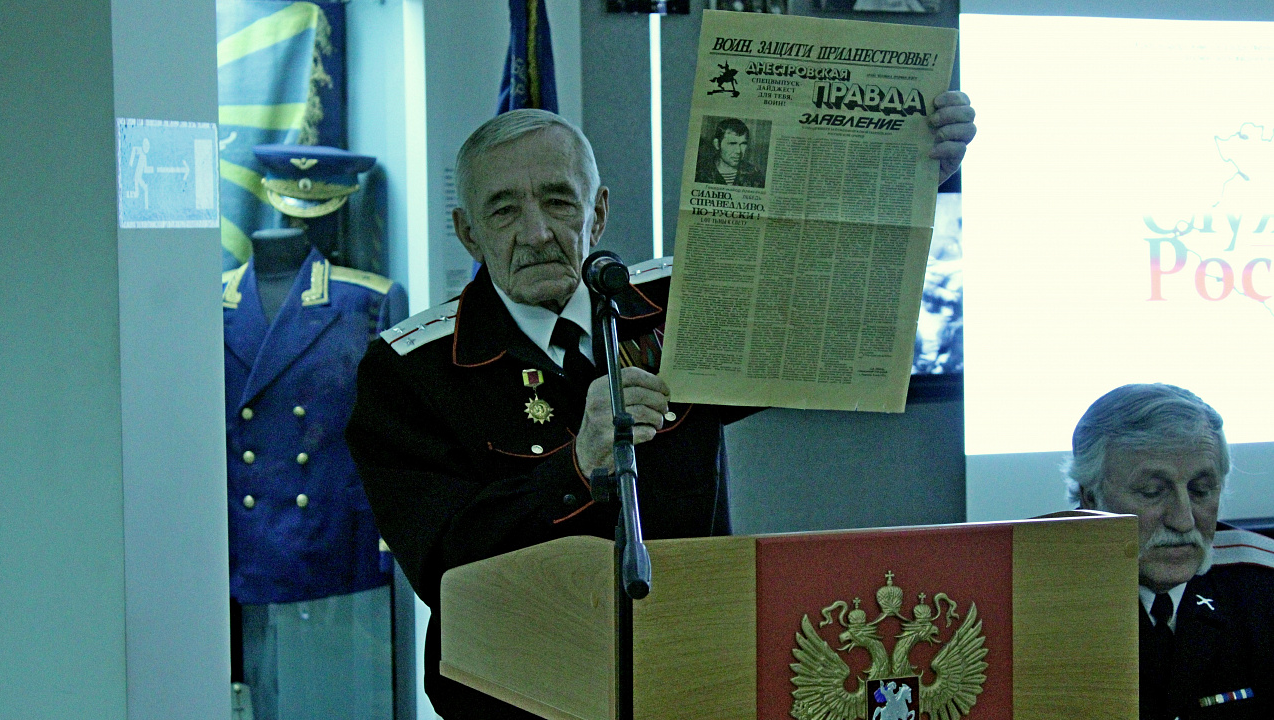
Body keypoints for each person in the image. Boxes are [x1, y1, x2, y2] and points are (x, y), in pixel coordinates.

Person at [347, 95, 976, 719]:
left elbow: (831, 298)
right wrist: (576, 468)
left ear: (598, 213)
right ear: (468, 233)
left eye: (559, 201)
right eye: (504, 210)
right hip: (516, 692)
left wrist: (910, 180)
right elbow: (442, 564)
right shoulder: (410, 371)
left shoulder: (677, 303)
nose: (536, 233)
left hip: (691, 672)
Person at [1065, 384, 1274, 720]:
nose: (1183, 520)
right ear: (1090, 496)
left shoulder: (1262, 588)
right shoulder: (1031, 595)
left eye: (1201, 490)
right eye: (1153, 491)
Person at [695, 117, 766, 188]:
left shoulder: (755, 174)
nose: (738, 151)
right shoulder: (699, 172)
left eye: (743, 144)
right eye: (732, 143)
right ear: (717, 144)